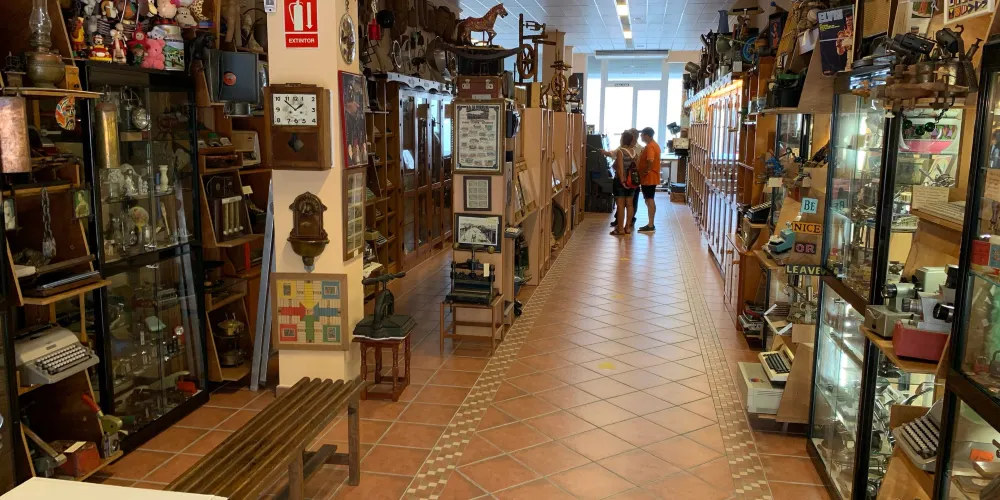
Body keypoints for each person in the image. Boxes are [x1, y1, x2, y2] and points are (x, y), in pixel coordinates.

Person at [610, 131, 637, 236]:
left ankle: (620, 229)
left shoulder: (621, 152)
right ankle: (628, 228)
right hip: (632, 182)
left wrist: (622, 181)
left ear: (623, 139)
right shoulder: (634, 152)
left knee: (620, 205)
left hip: (621, 182)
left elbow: (620, 169)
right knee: (630, 205)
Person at [636, 127, 661, 232]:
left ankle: (651, 224)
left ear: (647, 135)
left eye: (642, 135)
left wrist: (645, 171)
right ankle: (650, 223)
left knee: (649, 199)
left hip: (649, 177)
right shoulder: (654, 145)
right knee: (648, 199)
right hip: (650, 177)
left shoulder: (650, 146)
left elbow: (650, 161)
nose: (641, 137)